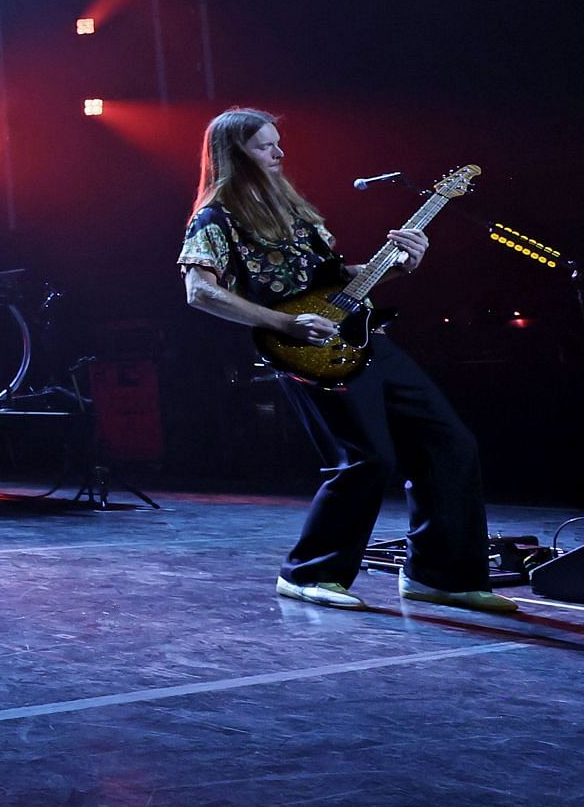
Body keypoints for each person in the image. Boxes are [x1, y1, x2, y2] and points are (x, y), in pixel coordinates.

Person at [178, 107, 515, 613]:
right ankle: (309, 573)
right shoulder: (216, 218)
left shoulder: (296, 211)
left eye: (277, 143)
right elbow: (199, 291)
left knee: (450, 443)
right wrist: (284, 323)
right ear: (235, 155)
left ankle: (438, 575)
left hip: (363, 335)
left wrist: (398, 265)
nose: (279, 153)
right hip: (306, 351)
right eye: (265, 146)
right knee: (366, 460)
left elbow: (339, 280)